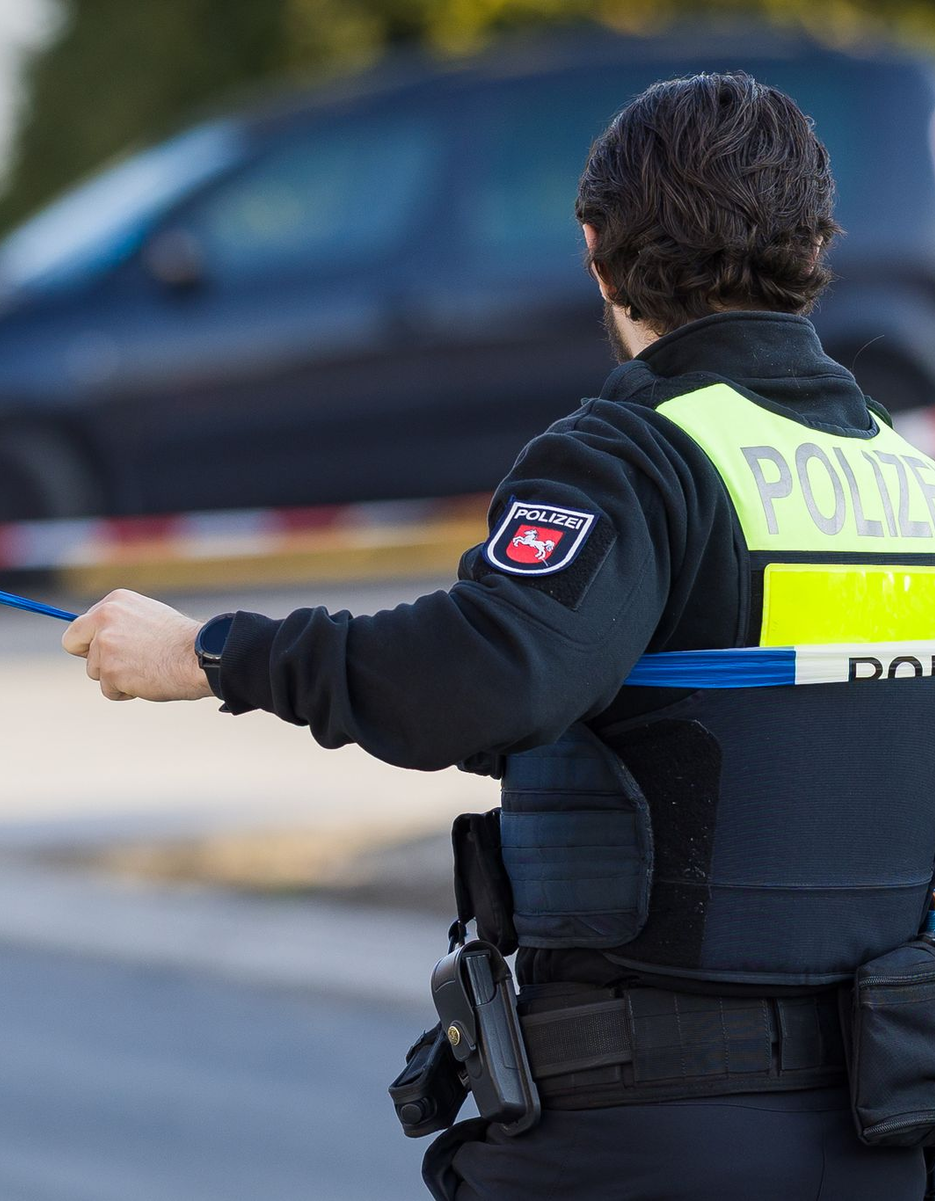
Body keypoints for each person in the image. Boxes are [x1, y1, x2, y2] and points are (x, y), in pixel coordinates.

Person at [62, 73, 935, 1199]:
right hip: (882, 1122)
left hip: (652, 1123)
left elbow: (487, 675)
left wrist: (215, 655)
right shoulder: (903, 477)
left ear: (595, 251)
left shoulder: (631, 456)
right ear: (815, 240)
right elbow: (718, 712)